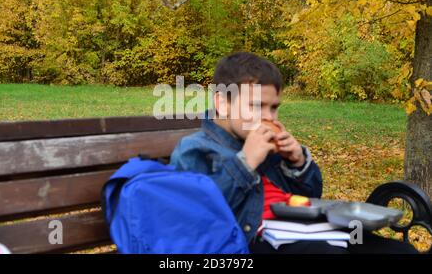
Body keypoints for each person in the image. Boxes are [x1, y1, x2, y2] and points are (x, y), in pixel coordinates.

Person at [170, 51, 417, 254]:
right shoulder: (195, 149)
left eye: (274, 107)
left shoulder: (267, 145)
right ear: (222, 103)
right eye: (256, 106)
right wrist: (245, 163)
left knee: (398, 252)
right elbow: (197, 216)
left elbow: (308, 196)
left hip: (303, 229)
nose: (268, 117)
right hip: (252, 242)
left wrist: (298, 162)